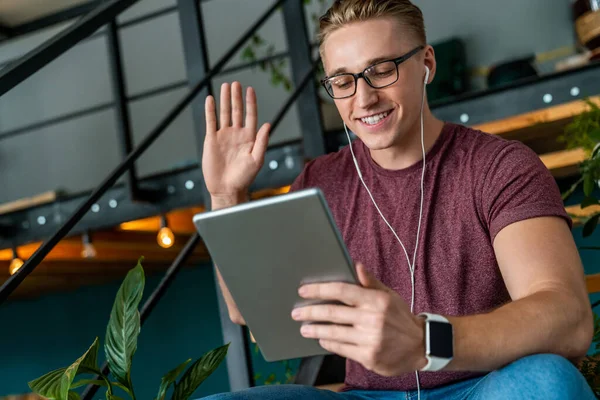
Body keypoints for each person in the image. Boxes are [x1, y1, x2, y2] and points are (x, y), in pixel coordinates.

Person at [200, 0, 595, 398]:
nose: (364, 98)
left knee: (547, 381)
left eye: (381, 70)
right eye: (342, 81)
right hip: (366, 395)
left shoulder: (500, 166)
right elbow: (248, 313)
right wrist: (225, 195)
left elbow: (567, 318)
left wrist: (426, 341)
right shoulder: (319, 181)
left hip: (482, 385)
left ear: (427, 63)